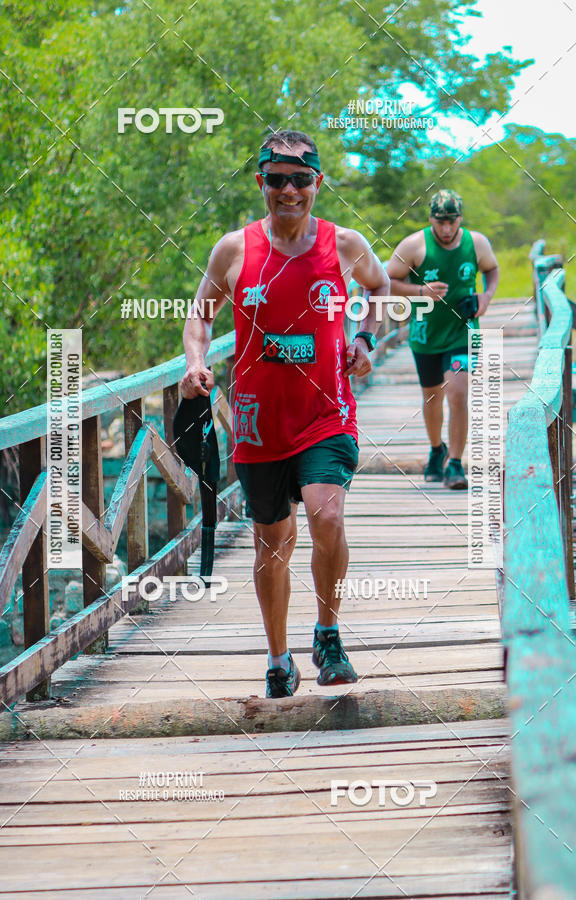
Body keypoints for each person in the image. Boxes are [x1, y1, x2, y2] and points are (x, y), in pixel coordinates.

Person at [182, 129, 389, 698]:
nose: (289, 190)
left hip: (326, 411)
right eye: (277, 180)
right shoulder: (234, 249)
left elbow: (379, 288)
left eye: (301, 179)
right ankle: (279, 658)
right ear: (262, 184)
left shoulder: (344, 245)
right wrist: (196, 361)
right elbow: (199, 316)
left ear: (318, 183)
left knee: (327, 515)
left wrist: (365, 338)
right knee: (271, 542)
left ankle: (328, 634)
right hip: (257, 422)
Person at [387, 190, 500, 488]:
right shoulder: (414, 245)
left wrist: (485, 297)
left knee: (458, 393)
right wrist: (421, 292)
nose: (446, 229)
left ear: (461, 218)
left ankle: (455, 464)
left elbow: (492, 269)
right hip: (425, 334)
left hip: (463, 331)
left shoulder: (476, 243)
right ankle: (437, 449)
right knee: (432, 396)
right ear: (431, 219)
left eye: (452, 221)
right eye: (440, 222)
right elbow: (386, 281)